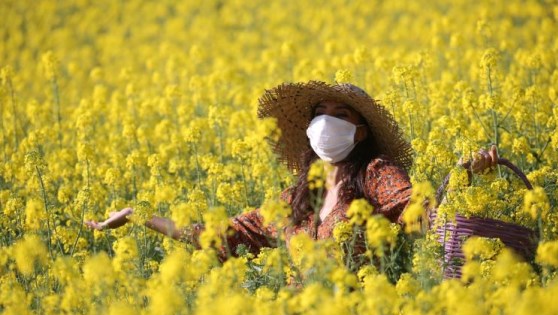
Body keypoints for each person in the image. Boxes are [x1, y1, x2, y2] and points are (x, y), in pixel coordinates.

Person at [86, 81, 498, 259]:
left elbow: (416, 212)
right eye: (320, 113)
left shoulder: (375, 172)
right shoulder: (299, 196)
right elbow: (231, 236)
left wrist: (463, 174)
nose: (327, 121)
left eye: (341, 114)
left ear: (360, 132)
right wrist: (141, 217)